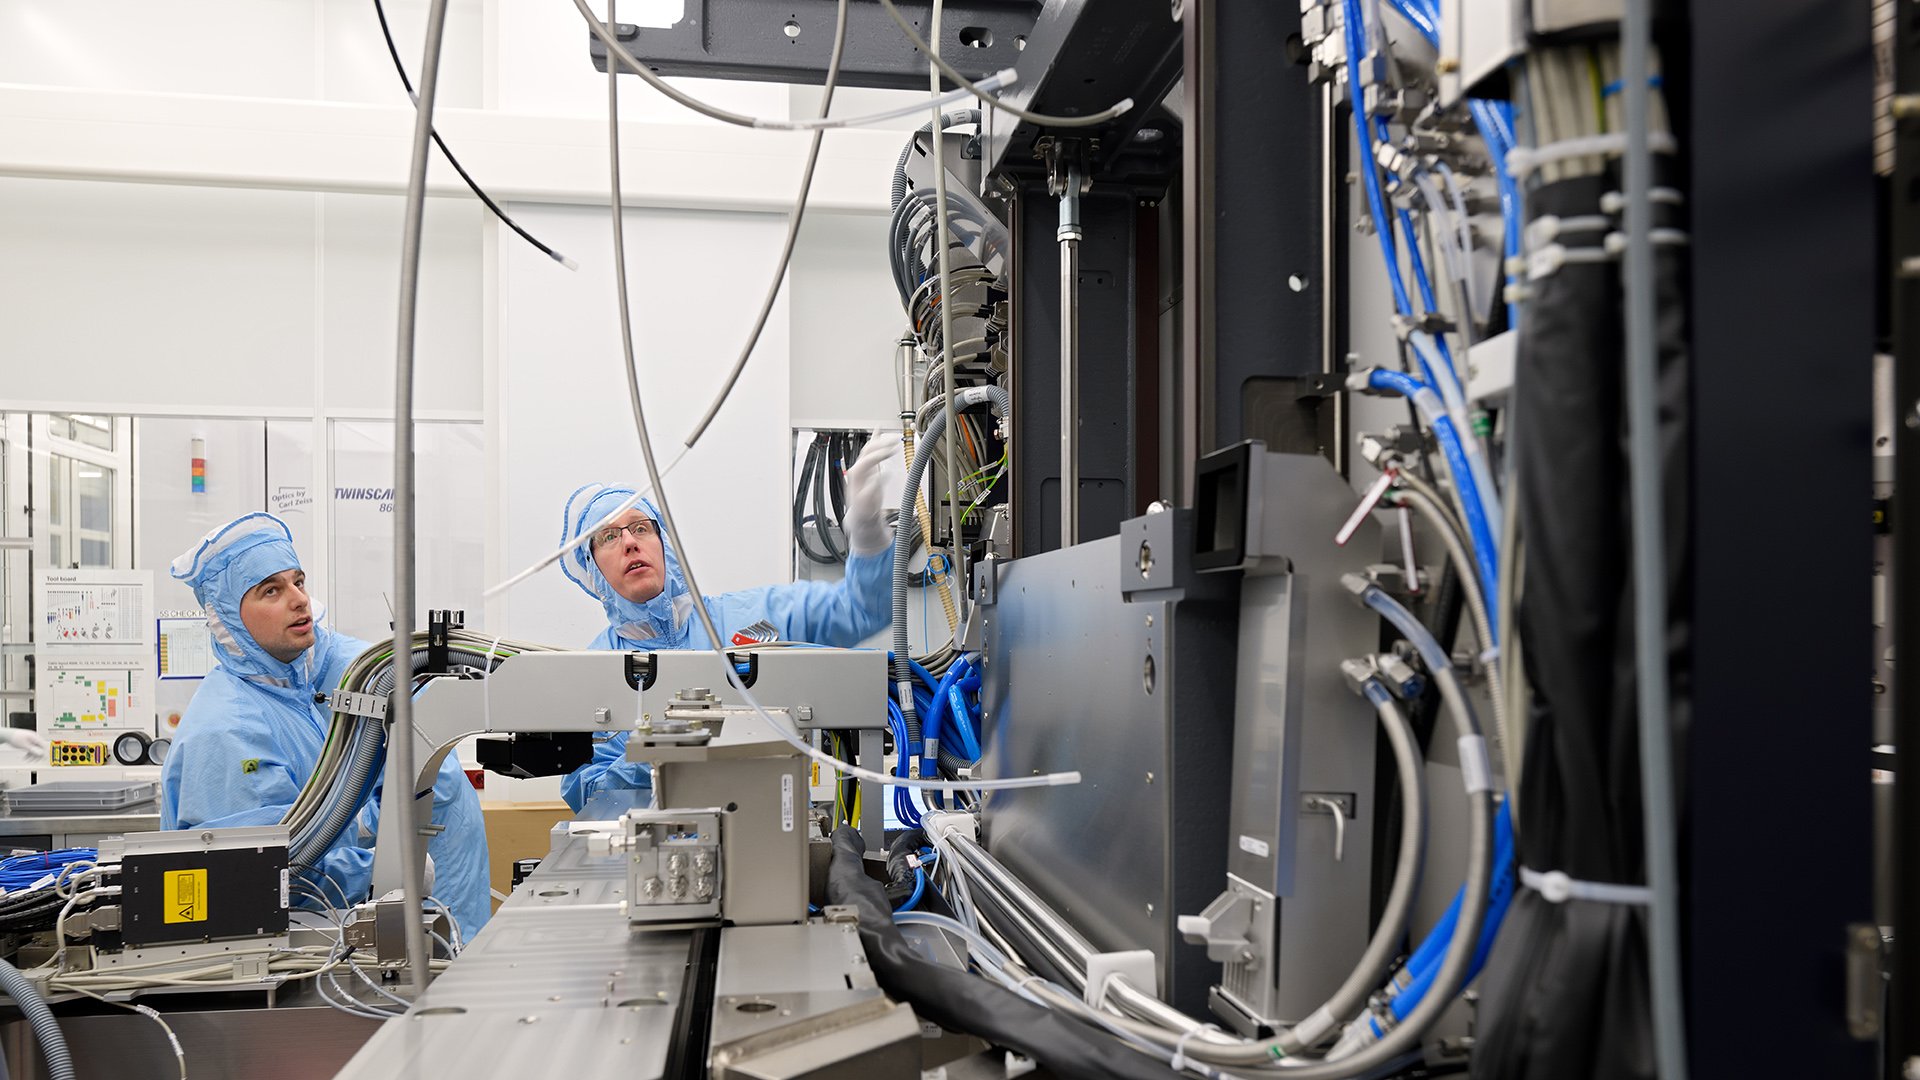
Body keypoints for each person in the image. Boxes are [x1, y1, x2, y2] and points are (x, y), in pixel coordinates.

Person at [159, 512, 492, 939]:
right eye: (271, 590)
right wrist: (382, 867)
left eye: (298, 582)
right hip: (269, 957)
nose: (298, 600)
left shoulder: (305, 688)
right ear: (229, 617)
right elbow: (265, 875)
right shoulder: (230, 729)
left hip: (340, 934)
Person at [559, 433, 900, 812]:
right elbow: (587, 795)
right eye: (608, 536)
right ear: (593, 568)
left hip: (767, 830)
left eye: (641, 527)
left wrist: (868, 535)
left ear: (664, 543)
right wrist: (654, 754)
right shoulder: (594, 671)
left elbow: (860, 611)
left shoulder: (751, 620)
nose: (629, 542)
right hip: (647, 843)